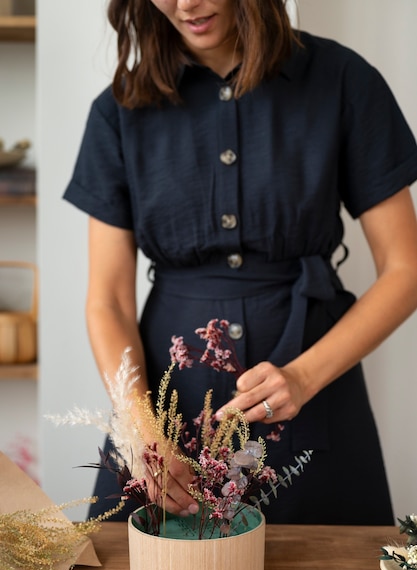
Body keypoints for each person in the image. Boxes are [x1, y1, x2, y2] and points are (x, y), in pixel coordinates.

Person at [64, 0, 417, 525]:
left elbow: (405, 271)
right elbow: (108, 301)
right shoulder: (118, 109)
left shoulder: (344, 80)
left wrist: (301, 377)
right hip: (167, 398)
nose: (185, 4)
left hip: (317, 387)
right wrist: (144, 429)